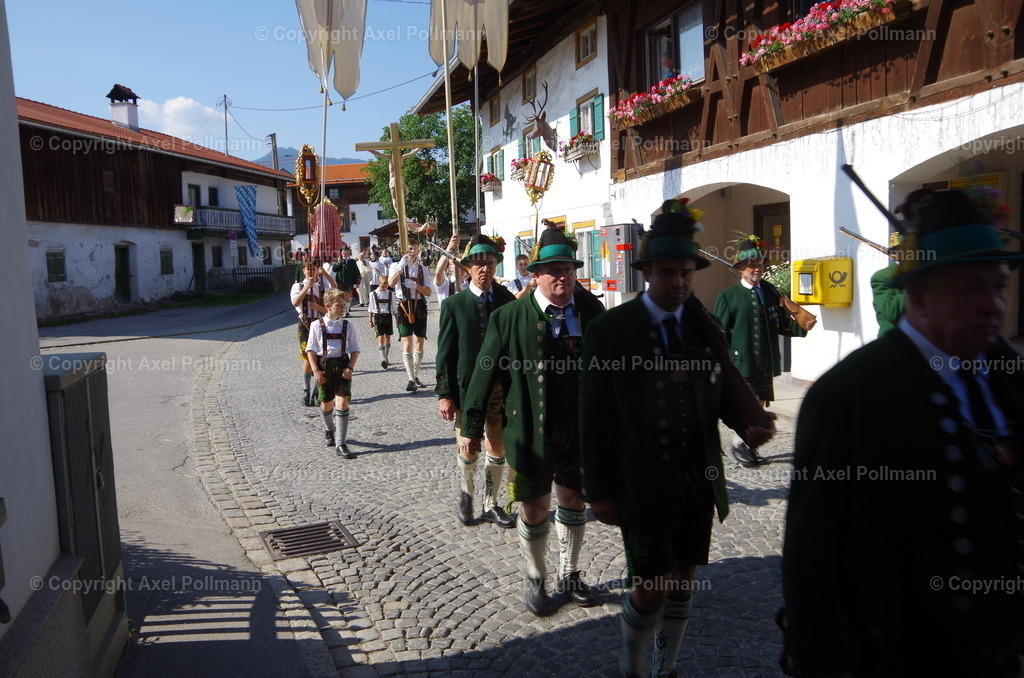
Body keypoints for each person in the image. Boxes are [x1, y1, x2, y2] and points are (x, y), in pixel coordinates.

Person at [780, 189, 1024, 677]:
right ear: (917, 298)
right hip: (895, 655)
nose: (993, 305)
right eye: (971, 288)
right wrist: (816, 656)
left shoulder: (1008, 373)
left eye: (998, 287)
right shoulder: (849, 394)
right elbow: (811, 552)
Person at [582, 200, 776, 678]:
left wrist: (744, 423)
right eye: (668, 272)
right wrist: (600, 489)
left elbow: (721, 392)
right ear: (647, 271)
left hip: (697, 477)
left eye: (686, 272)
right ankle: (634, 661)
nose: (679, 282)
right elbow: (594, 416)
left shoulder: (704, 327)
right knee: (650, 584)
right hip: (639, 481)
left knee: (684, 579)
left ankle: (665, 666)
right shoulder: (612, 330)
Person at [461, 223, 606, 616]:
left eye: (568, 269)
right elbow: (484, 371)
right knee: (534, 507)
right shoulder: (508, 317)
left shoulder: (592, 308)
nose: (563, 277)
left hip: (578, 430)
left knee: (573, 499)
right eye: (554, 270)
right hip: (530, 431)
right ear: (535, 274)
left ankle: (570, 573)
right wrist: (470, 427)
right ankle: (536, 576)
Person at [436, 234, 518, 529]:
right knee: (468, 445)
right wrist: (444, 393)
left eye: (490, 263)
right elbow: (444, 352)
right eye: (479, 264)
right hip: (467, 389)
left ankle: (491, 503)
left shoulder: (507, 301)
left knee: (498, 446)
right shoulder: (454, 305)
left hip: (501, 387)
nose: (485, 268)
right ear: (467, 268)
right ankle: (467, 494)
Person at [713, 236, 810, 467]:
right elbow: (721, 334)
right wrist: (724, 365)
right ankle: (739, 443)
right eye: (752, 265)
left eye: (760, 264)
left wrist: (802, 325)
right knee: (749, 406)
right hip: (742, 363)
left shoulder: (770, 295)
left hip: (765, 363)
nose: (757, 268)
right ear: (740, 270)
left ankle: (749, 445)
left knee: (760, 405)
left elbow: (782, 325)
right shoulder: (727, 297)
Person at [871, 187, 935, 338]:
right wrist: (911, 278)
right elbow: (890, 313)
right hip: (895, 349)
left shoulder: (933, 271)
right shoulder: (882, 277)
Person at [305, 289, 361, 459]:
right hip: (324, 367)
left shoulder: (348, 325)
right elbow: (310, 350)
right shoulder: (316, 325)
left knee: (342, 403)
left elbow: (355, 349)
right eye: (339, 305)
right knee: (326, 404)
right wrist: (315, 370)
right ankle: (329, 428)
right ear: (328, 306)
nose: (343, 308)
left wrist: (350, 367)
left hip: (343, 367)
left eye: (344, 305)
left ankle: (341, 443)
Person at [388, 240, 433, 392]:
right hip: (403, 305)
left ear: (418, 250)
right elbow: (391, 284)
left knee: (420, 342)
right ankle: (410, 379)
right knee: (407, 343)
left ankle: (415, 375)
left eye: (413, 249)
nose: (411, 252)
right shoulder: (396, 266)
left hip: (419, 305)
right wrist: (400, 268)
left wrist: (416, 286)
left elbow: (428, 292)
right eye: (408, 249)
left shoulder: (422, 269)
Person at [291, 259, 336, 406]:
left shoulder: (321, 286)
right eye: (308, 269)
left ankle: (319, 389)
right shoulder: (298, 285)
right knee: (307, 358)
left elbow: (334, 292)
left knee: (320, 358)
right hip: (305, 324)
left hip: (319, 324)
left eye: (314, 269)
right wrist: (306, 288)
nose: (311, 271)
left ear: (318, 270)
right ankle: (306, 389)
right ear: (304, 270)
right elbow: (296, 303)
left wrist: (317, 306)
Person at [368, 276, 398, 369]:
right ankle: (383, 360)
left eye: (386, 286)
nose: (384, 288)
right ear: (379, 284)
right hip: (378, 317)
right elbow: (371, 308)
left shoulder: (390, 294)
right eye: (382, 287)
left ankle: (386, 357)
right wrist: (370, 320)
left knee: (387, 338)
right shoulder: (373, 294)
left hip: (388, 316)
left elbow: (394, 307)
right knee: (380, 338)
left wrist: (397, 319)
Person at [433, 232, 470, 306]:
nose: (460, 268)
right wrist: (449, 248)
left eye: (462, 265)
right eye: (456, 265)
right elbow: (438, 272)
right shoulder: (445, 284)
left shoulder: (470, 285)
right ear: (450, 268)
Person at [332, 247, 361, 316]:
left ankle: (347, 312)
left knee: (348, 296)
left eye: (344, 251)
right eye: (342, 251)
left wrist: (357, 282)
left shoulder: (352, 261)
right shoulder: (338, 260)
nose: (342, 252)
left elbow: (356, 272)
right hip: (340, 282)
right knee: (339, 296)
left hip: (349, 282)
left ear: (348, 252)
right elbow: (334, 269)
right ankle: (339, 312)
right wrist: (339, 263)